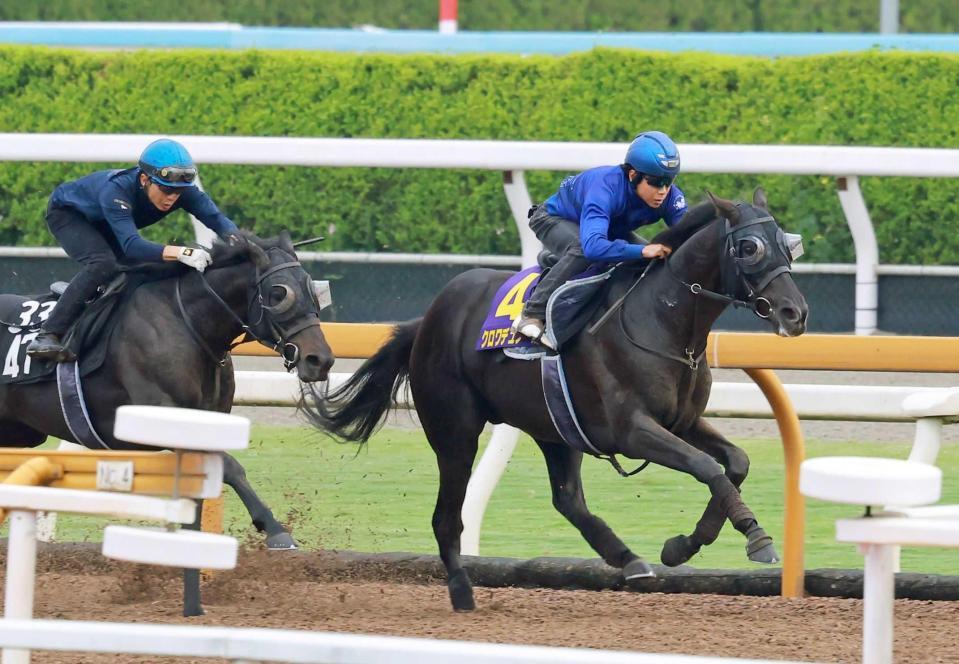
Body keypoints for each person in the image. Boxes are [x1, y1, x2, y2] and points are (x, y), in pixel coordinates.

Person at [25, 138, 239, 362]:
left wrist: (248, 246)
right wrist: (184, 252)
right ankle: (47, 335)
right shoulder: (116, 190)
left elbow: (217, 220)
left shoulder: (182, 192)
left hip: (106, 222)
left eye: (178, 192)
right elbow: (133, 246)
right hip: (69, 215)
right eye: (166, 190)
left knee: (154, 266)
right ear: (145, 179)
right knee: (103, 263)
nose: (172, 198)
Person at [510, 130, 688, 349]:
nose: (662, 191)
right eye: (655, 182)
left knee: (654, 261)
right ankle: (531, 313)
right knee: (582, 249)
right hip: (555, 218)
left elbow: (688, 236)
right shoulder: (604, 188)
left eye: (668, 182)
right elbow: (593, 246)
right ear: (633, 175)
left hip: (609, 227)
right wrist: (642, 251)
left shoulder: (671, 197)